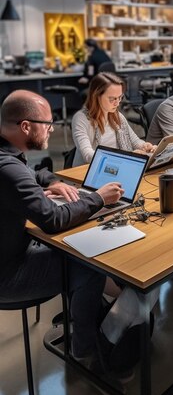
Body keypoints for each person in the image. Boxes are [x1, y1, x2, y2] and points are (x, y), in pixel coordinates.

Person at [0, 90, 123, 364]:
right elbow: (53, 221)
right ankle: (85, 350)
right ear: (26, 126)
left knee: (74, 253)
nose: (52, 130)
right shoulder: (6, 169)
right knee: (88, 267)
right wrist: (98, 198)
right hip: (7, 274)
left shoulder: (7, 154)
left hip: (11, 249)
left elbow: (30, 172)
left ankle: (87, 315)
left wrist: (50, 182)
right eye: (47, 124)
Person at [72, 72, 156, 166]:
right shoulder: (81, 119)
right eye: (112, 99)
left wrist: (145, 146)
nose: (117, 103)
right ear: (96, 96)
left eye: (120, 97)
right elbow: (88, 155)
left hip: (115, 167)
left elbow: (135, 141)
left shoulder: (116, 115)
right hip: (87, 171)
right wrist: (128, 156)